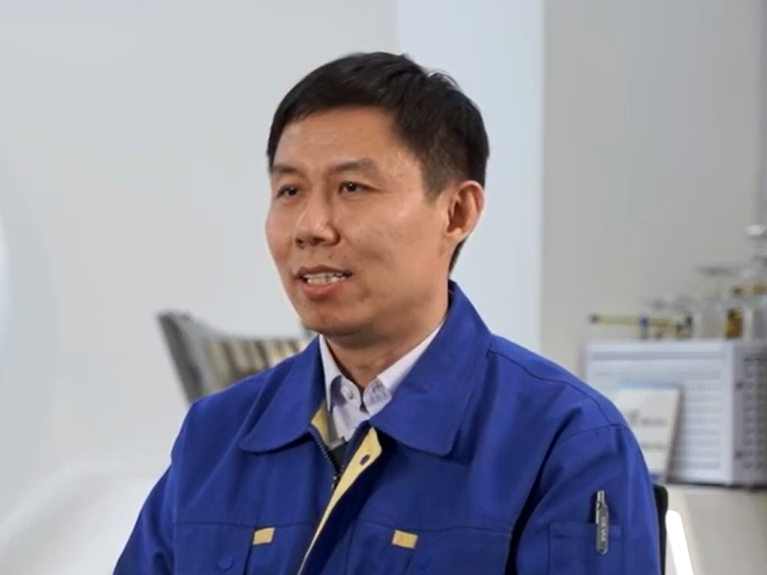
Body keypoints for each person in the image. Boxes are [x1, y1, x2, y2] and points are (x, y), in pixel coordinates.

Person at [115, 51, 660, 574]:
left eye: (352, 187)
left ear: (456, 212)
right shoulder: (217, 434)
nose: (310, 226)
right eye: (290, 190)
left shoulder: (566, 439)